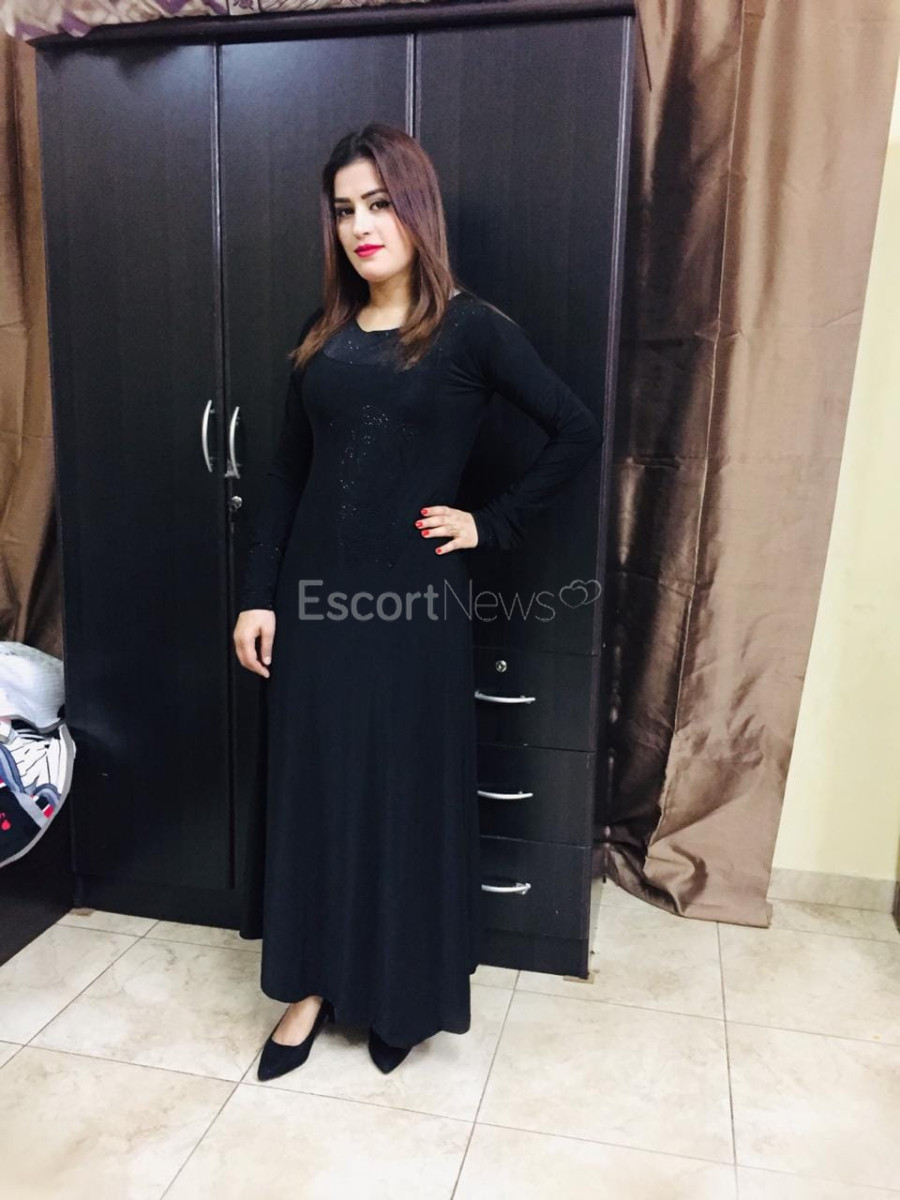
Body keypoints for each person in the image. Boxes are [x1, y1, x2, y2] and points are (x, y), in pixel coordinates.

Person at [232, 122, 603, 1081]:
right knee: (319, 796)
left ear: (415, 208)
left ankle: (401, 993)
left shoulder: (471, 329)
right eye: (345, 209)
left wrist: (491, 523)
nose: (362, 225)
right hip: (315, 610)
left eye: (380, 203)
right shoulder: (321, 335)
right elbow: (288, 473)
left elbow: (574, 429)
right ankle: (309, 988)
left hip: (410, 615)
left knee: (401, 801)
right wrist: (258, 596)